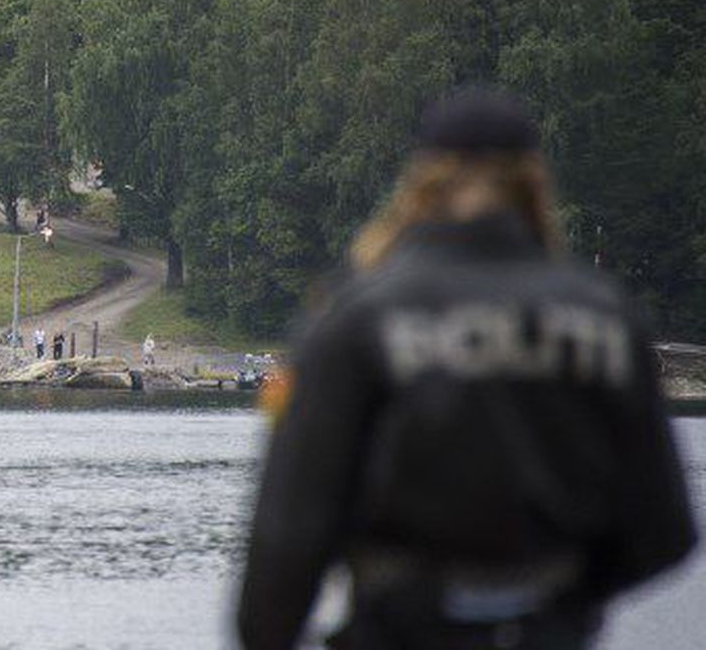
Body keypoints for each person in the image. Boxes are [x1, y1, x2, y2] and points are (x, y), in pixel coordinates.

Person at [237, 88, 696, 650]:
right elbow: (665, 530)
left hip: (400, 625)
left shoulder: (358, 317)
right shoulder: (605, 317)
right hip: (548, 626)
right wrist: (569, 595)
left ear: (420, 181)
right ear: (534, 181)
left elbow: (289, 533)